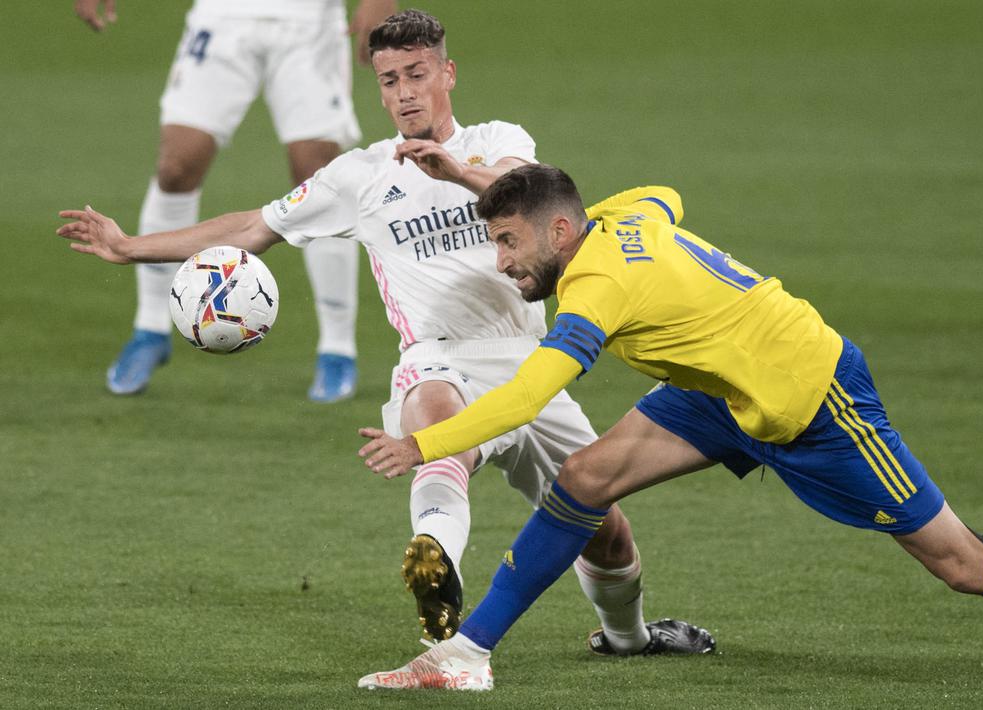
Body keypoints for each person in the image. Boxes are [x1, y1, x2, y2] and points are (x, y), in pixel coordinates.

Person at [336, 164, 983, 696]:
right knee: (582, 483)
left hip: (812, 399)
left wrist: (424, 444)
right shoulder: (626, 214)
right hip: (717, 391)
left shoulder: (596, 286)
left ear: (561, 230)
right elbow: (666, 195)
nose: (502, 263)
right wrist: (478, 181)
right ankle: (466, 655)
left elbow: (533, 390)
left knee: (962, 564)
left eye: (506, 243)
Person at [58, 8, 715, 686]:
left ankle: (627, 637)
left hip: (530, 363)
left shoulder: (497, 142)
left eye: (416, 75)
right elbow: (254, 226)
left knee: (604, 529)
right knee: (436, 420)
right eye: (388, 80)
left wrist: (456, 172)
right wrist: (130, 247)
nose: (403, 92)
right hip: (440, 354)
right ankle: (439, 574)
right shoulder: (358, 177)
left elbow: (541, 199)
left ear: (447, 74)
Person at [74, 0, 397, 401]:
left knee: (317, 174)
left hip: (309, 22)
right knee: (177, 166)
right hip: (221, 15)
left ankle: (337, 349)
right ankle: (150, 328)